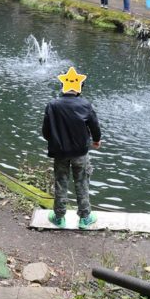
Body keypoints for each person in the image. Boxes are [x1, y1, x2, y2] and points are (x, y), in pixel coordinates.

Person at [42, 66, 101, 229]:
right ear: (79, 87)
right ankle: (85, 218)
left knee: (61, 182)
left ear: (63, 86)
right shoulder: (85, 105)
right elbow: (94, 126)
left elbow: (45, 131)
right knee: (82, 182)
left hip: (60, 152)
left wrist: (54, 141)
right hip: (80, 153)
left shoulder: (52, 105)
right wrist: (96, 140)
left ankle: (59, 217)